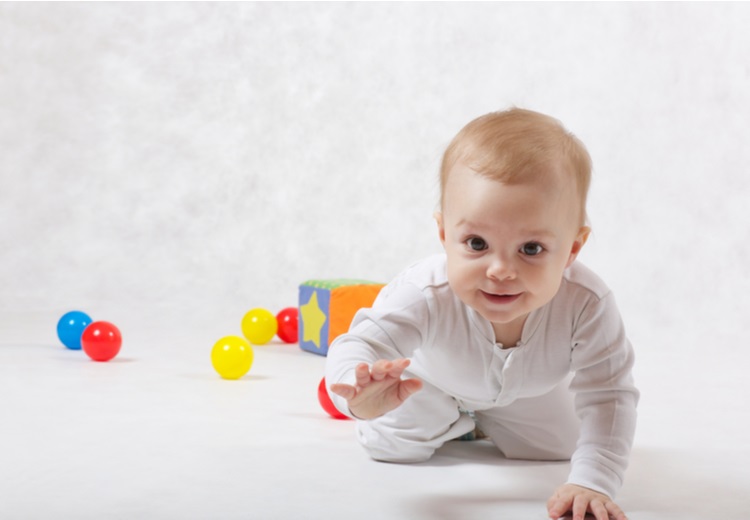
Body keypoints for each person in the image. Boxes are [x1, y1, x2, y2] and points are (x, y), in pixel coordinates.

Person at [325, 108, 639, 520]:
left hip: (527, 391)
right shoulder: (425, 292)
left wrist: (593, 481)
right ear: (444, 235)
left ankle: (478, 421)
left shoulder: (587, 303)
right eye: (476, 243)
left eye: (531, 249)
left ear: (572, 249)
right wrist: (356, 389)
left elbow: (609, 395)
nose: (501, 270)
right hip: (427, 383)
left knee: (563, 445)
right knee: (394, 448)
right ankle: (448, 417)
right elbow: (360, 342)